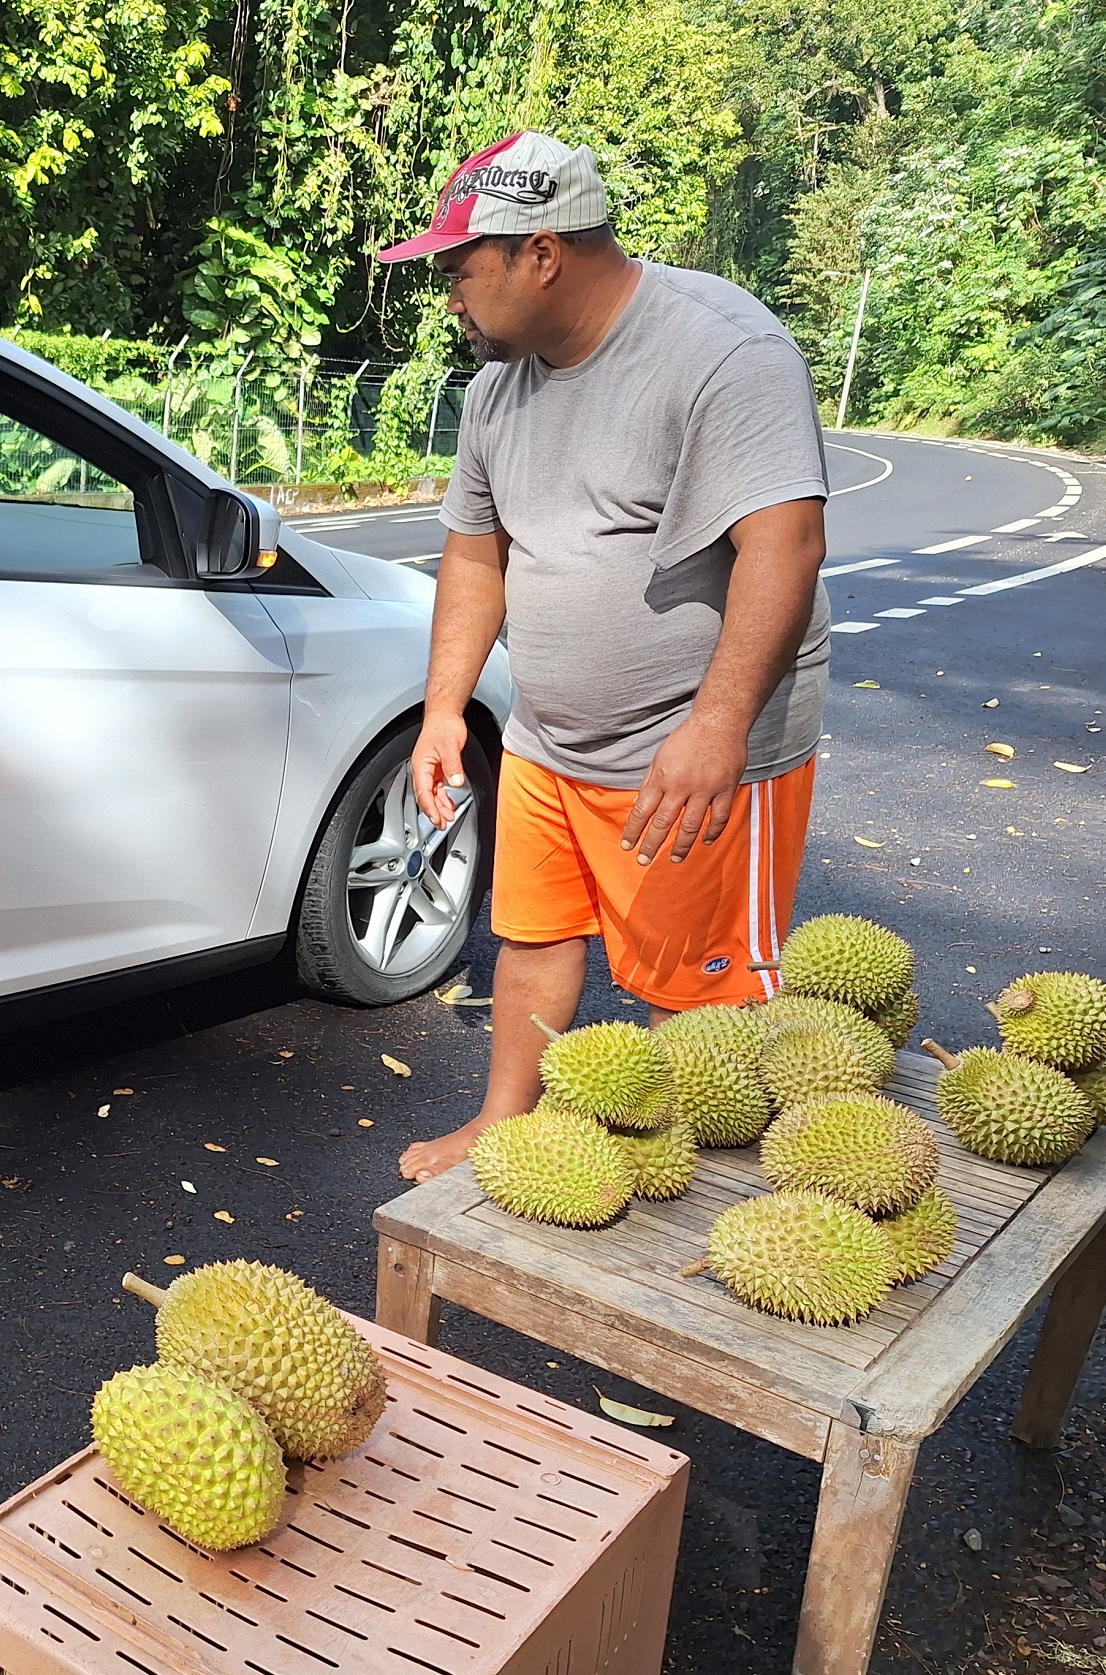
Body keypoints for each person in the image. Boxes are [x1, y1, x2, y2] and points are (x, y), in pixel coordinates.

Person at [381, 131, 832, 1183]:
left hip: (698, 744)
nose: (448, 295)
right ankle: (505, 1121)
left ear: (540, 252)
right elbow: (474, 557)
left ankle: (703, 1186)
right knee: (532, 935)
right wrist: (445, 709)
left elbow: (785, 542)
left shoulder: (721, 350)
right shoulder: (500, 387)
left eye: (459, 269)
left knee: (700, 999)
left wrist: (716, 727)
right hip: (550, 734)